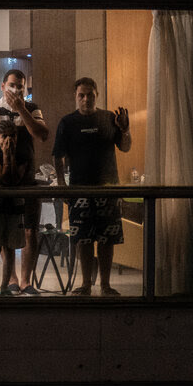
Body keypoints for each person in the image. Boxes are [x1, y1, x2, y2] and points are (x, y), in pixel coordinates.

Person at [52, 77, 132, 297]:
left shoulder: (109, 119)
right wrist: (62, 186)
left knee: (107, 239)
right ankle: (86, 283)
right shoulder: (67, 123)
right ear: (76, 97)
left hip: (108, 190)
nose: (86, 99)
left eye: (90, 95)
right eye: (81, 95)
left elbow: (125, 148)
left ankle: (105, 285)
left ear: (97, 95)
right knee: (83, 240)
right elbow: (58, 157)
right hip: (79, 189)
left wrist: (125, 130)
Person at [0, 69, 48, 295]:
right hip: (0, 178)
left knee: (30, 229)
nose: (16, 89)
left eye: (21, 86)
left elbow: (42, 134)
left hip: (26, 176)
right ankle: (9, 279)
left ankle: (25, 280)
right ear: (2, 86)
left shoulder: (31, 108)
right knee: (2, 231)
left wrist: (21, 107)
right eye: (12, 85)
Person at [0, 118, 26, 295]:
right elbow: (4, 177)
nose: (9, 140)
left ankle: (4, 285)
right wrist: (6, 155)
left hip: (14, 206)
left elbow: (14, 180)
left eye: (13, 136)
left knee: (10, 248)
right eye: (5, 136)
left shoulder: (23, 156)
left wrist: (11, 156)